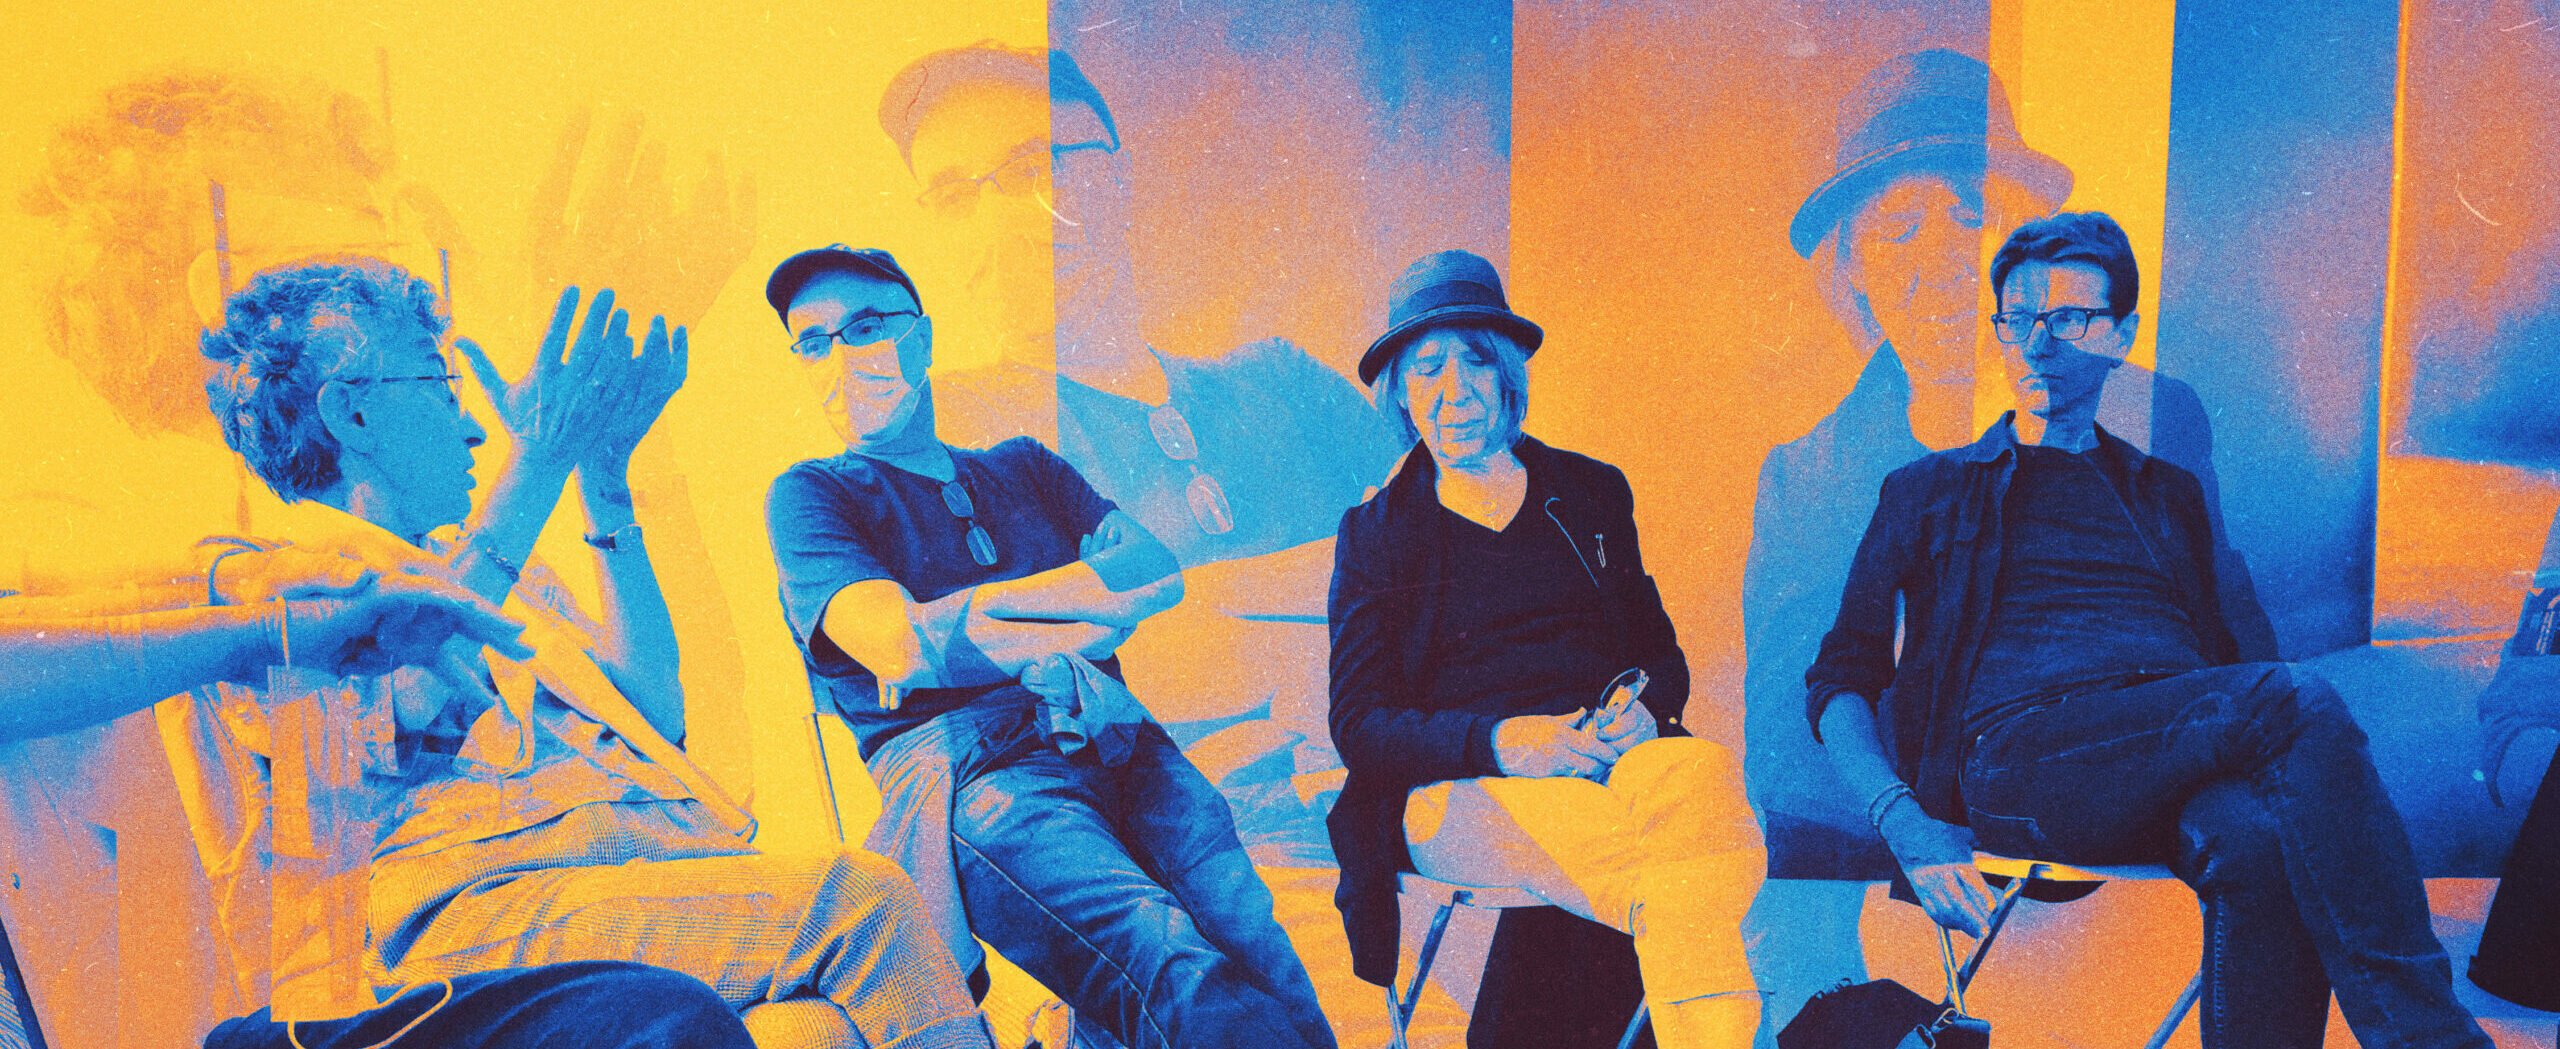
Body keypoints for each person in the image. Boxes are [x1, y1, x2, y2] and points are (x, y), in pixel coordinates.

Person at [186, 257, 994, 1048]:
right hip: (466, 914)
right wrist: (536, 462)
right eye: (440, 385)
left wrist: (602, 479)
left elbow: (652, 712)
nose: (474, 427)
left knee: (807, 1032)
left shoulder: (505, 576)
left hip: (620, 880)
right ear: (352, 415)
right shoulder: (267, 583)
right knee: (858, 899)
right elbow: (403, 696)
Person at [1809, 212, 2493, 1049]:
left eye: (2070, 318)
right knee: (2293, 699)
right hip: (2021, 757)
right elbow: (1839, 676)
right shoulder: (1931, 487)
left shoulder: (2168, 492)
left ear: (2121, 336)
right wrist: (1906, 825)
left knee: (2258, 839)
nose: (2038, 342)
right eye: (2018, 318)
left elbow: (2239, 654)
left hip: (2170, 745)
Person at [1738, 48, 2257, 1040]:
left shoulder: (2153, 414)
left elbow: (2232, 637)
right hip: (1924, 829)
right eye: (1896, 228)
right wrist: (1911, 820)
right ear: (1851, 271)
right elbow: (1787, 744)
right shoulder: (1808, 473)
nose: (1941, 256)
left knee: (2269, 832)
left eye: (1972, 218)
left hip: (2138, 778)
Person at [762, 246, 1338, 1049]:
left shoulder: (1024, 465)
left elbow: (1154, 573)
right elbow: (901, 645)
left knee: (1257, 945)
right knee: (1171, 963)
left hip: (1118, 735)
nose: (841, 356)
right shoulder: (812, 495)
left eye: (864, 328)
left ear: (921, 338)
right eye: (813, 341)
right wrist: (1090, 603)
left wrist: (965, 622)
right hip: (984, 779)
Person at [879, 45, 1408, 855]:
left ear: (1118, 178)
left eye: (1035, 168)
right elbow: (1025, 685)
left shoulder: (1280, 380)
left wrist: (1201, 604)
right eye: (954, 194)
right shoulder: (949, 434)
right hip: (1187, 852)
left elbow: (1471, 554)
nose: (1008, 218)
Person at [0, 537, 758, 1049]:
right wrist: (259, 628)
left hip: (640, 857)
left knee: (706, 1021)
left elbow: (50, 583)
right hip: (440, 916)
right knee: (684, 1009)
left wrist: (236, 586)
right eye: (435, 383)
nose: (472, 428)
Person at [1327, 250, 1766, 1049]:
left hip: (1612, 760)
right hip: (1464, 783)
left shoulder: (1589, 492)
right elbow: (1359, 725)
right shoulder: (1376, 534)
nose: (1454, 391)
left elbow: (1661, 657)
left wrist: (1644, 710)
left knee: (1702, 773)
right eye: (1426, 369)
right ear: (1401, 394)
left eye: (1475, 361)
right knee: (1686, 868)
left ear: (1507, 374)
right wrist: (1505, 741)